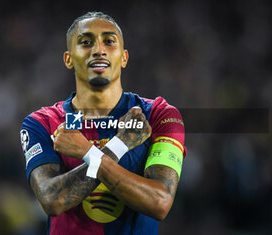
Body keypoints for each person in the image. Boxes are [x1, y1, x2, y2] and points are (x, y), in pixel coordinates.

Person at [20, 11, 186, 235]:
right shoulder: (42, 123)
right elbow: (52, 200)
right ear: (68, 59)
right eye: (86, 42)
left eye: (109, 41)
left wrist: (88, 152)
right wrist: (120, 143)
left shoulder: (158, 115)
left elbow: (160, 202)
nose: (99, 50)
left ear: (124, 57)